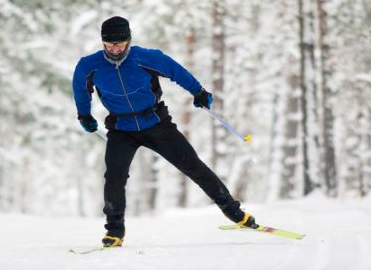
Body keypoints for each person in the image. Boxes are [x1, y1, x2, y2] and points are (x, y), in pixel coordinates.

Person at [71, 16, 258, 247]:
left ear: (129, 41)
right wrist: (84, 115)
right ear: (102, 43)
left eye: (120, 44)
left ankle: (234, 212)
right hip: (121, 129)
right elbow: (81, 89)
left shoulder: (146, 58)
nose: (115, 50)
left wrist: (198, 92)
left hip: (156, 123)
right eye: (109, 45)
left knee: (192, 165)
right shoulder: (89, 66)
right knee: (114, 177)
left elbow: (176, 71)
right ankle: (115, 230)